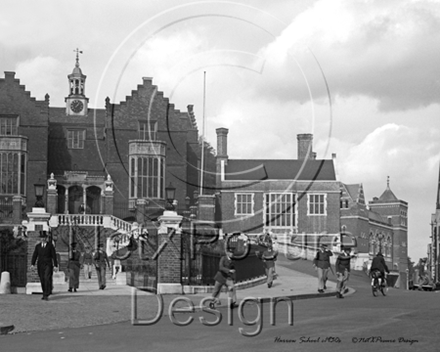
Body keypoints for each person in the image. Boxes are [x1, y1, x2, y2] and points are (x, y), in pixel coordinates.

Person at [30, 231, 58, 301]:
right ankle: (44, 293)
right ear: (40, 239)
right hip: (40, 265)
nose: (43, 239)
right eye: (42, 238)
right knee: (42, 279)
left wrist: (55, 265)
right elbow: (35, 255)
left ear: (46, 238)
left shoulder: (50, 246)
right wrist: (32, 264)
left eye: (44, 238)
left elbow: (54, 256)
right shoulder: (38, 246)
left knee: (46, 278)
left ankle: (46, 293)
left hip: (48, 264)